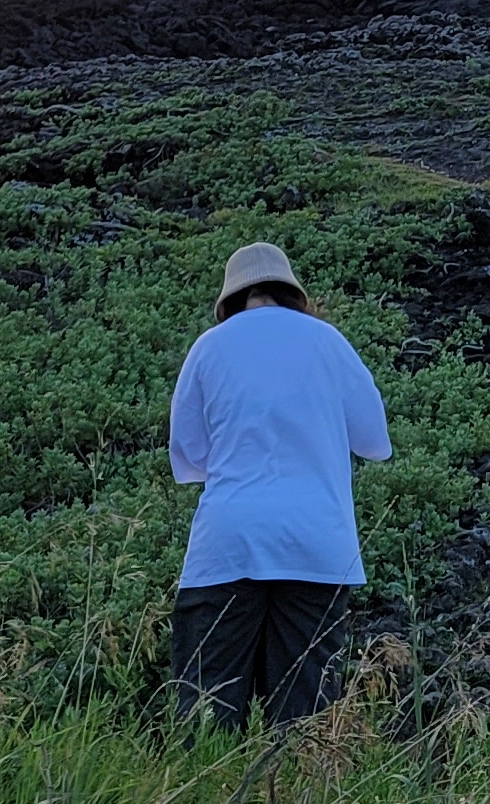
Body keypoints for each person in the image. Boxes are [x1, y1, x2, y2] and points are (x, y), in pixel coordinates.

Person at [167, 241, 392, 731]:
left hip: (227, 544)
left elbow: (187, 456)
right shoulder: (328, 341)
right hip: (318, 544)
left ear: (229, 300)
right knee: (304, 721)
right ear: (293, 294)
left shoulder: (209, 346)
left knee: (205, 712)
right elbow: (376, 442)